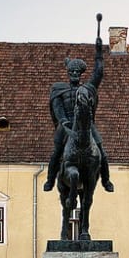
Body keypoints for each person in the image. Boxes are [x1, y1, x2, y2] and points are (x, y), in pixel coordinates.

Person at [43, 36, 114, 192]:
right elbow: (57, 107)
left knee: (102, 151)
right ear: (68, 72)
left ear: (81, 74)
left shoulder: (87, 89)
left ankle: (106, 181)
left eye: (77, 72)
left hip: (86, 124)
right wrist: (64, 122)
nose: (74, 73)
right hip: (66, 124)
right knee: (56, 152)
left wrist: (99, 53)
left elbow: (98, 73)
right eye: (72, 71)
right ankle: (50, 180)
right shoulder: (58, 88)